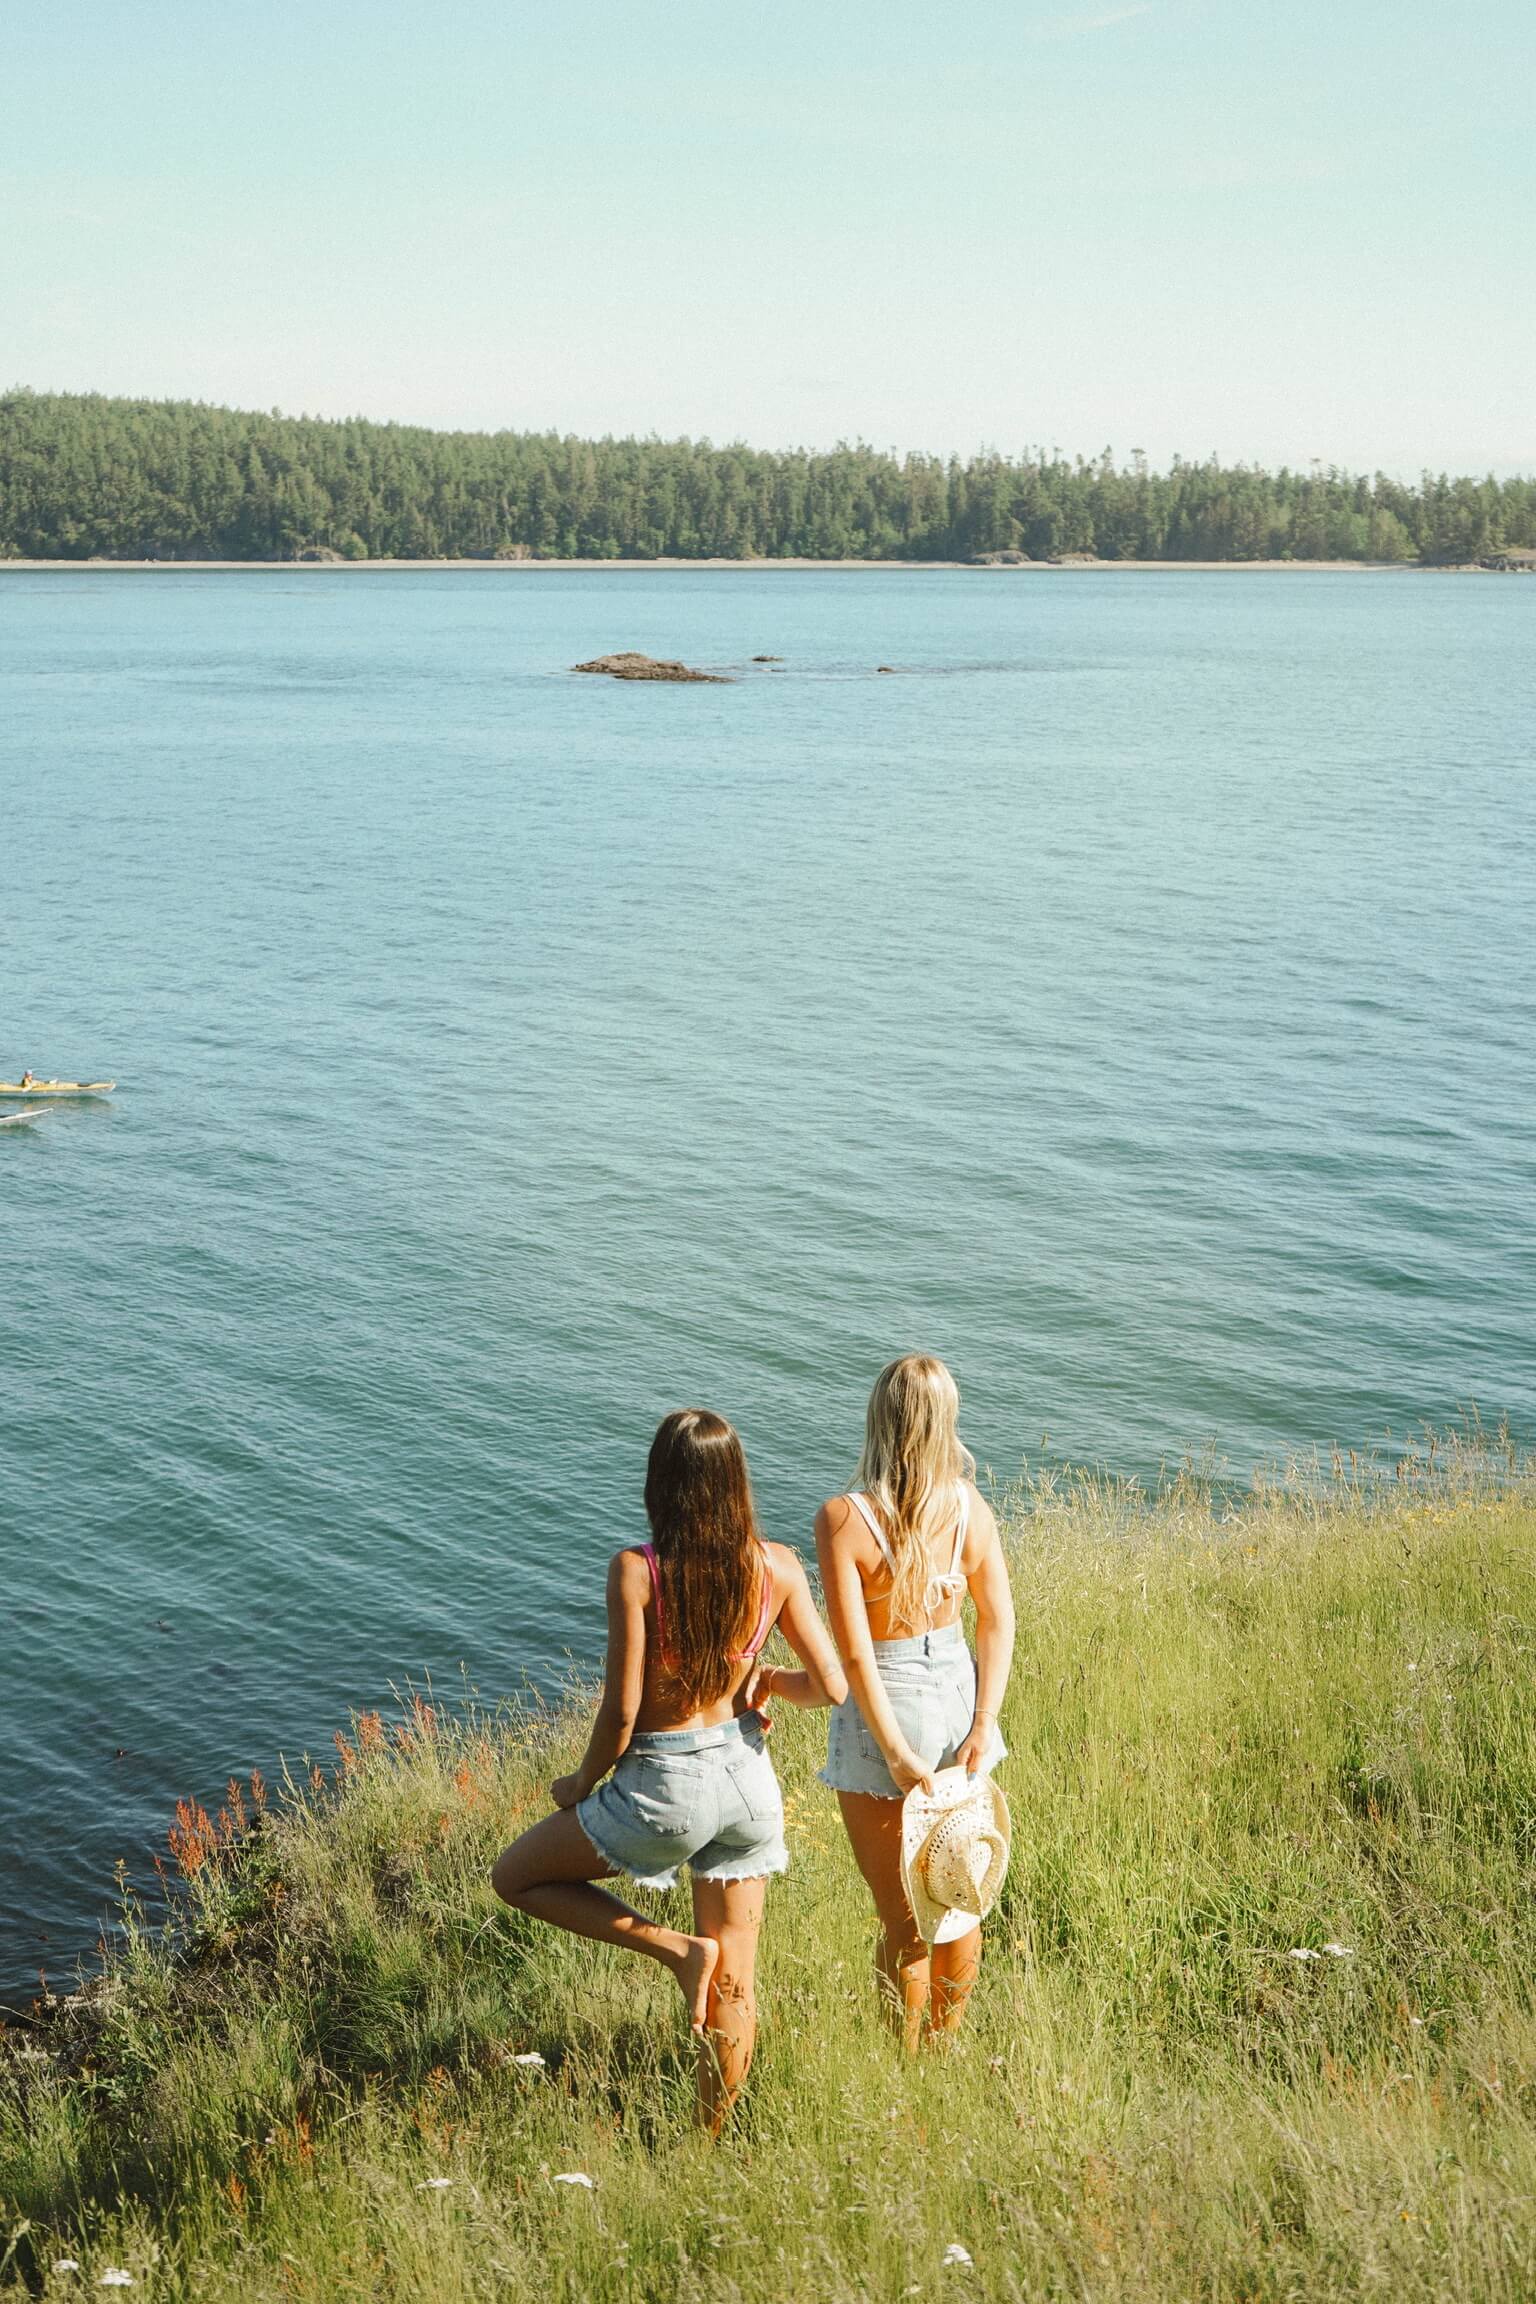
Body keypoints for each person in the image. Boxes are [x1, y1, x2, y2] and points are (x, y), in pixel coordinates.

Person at [491, 1408, 847, 2130]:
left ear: (662, 1484)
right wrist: (769, 1679)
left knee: (515, 1877)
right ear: (736, 1483)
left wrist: (579, 1785)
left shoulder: (638, 1572)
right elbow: (833, 1687)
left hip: (666, 1786)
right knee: (738, 1978)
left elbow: (622, 1715)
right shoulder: (776, 1565)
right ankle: (707, 2139)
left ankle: (677, 1951)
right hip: (749, 1783)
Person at [816, 1354, 1015, 2049]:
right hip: (959, 1703)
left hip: (887, 1718)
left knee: (903, 1923)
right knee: (960, 1900)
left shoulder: (844, 1519)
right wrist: (982, 1725)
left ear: (879, 1417)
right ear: (945, 1421)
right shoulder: (970, 1507)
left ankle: (904, 2068)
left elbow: (854, 1656)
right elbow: (997, 1619)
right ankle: (944, 2049)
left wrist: (897, 1753)